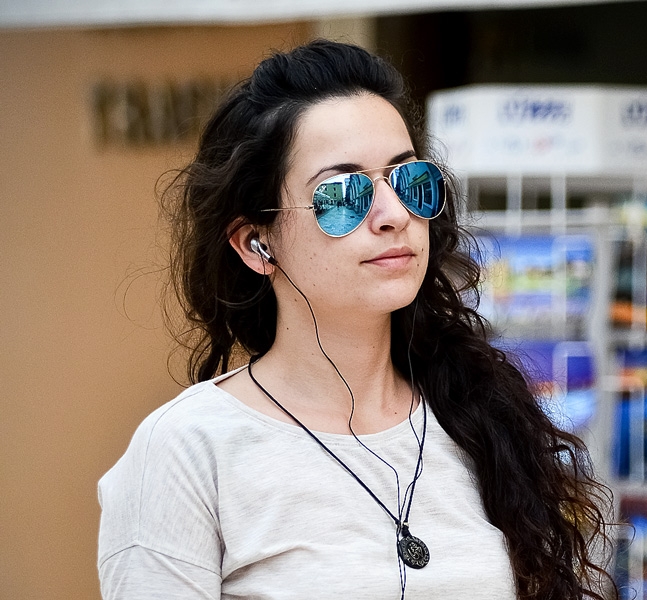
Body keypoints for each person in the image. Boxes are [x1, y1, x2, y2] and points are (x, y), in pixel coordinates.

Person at [97, 39, 615, 600]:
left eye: (410, 181)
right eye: (344, 194)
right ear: (254, 243)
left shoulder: (478, 415)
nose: (394, 215)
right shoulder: (187, 450)